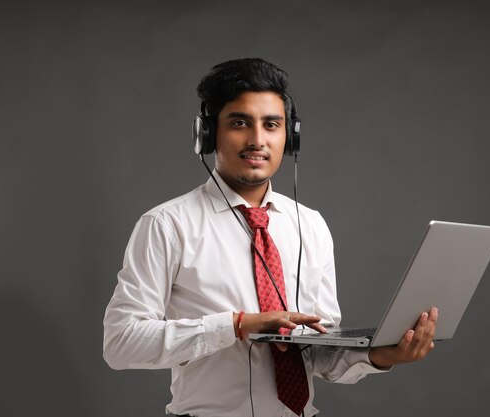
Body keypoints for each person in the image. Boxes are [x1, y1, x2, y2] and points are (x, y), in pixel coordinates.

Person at [103, 58, 438, 417]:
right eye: (239, 123)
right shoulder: (166, 225)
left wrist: (383, 354)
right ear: (207, 134)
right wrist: (237, 325)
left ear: (289, 137)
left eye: (272, 125)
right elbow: (121, 343)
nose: (257, 140)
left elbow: (319, 352)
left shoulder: (310, 225)